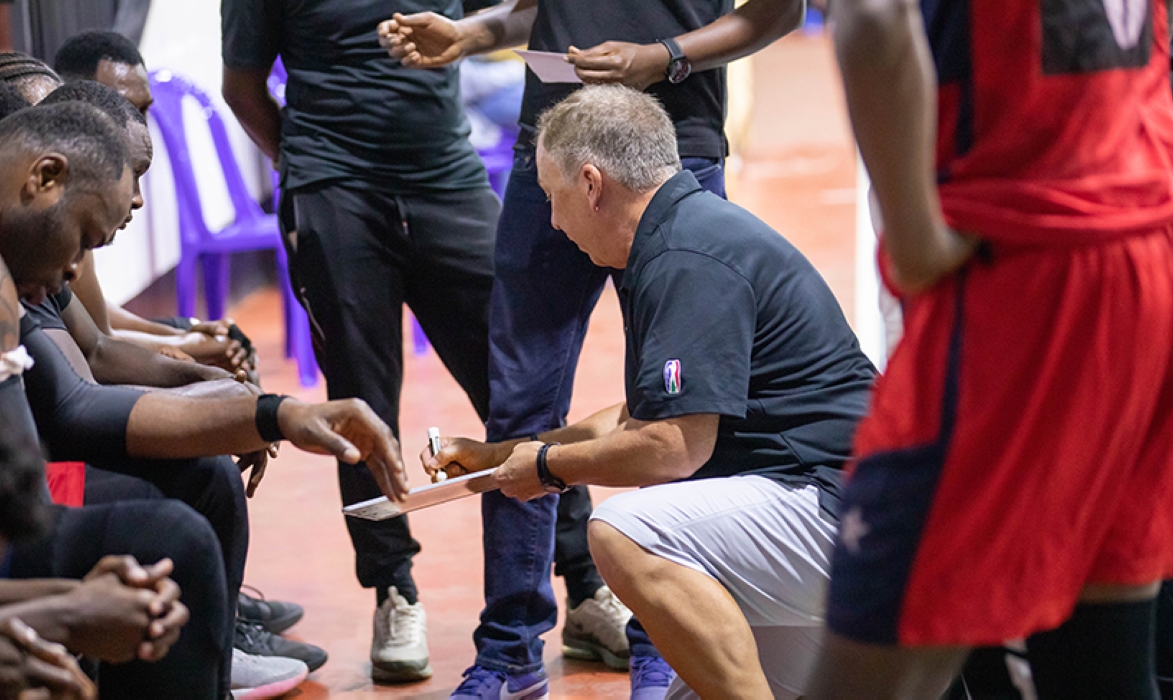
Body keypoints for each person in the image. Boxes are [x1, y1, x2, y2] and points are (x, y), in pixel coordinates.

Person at [379, 2, 807, 694]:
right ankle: (509, 649)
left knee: (670, 405)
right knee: (517, 399)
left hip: (668, 152)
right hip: (549, 149)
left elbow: (778, 14)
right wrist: (469, 36)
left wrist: (663, 56)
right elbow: (535, 13)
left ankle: (660, 645)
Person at [423, 85, 877, 699]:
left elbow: (671, 449)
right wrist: (502, 454)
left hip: (840, 513)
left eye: (553, 197)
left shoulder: (686, 256)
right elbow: (641, 416)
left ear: (590, 184)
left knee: (623, 532)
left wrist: (550, 469)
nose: (553, 220)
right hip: (837, 509)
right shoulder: (682, 233)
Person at [812, 0, 1173, 698]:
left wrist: (912, 235)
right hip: (1154, 240)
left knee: (872, 657)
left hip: (1024, 265)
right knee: (1095, 648)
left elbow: (870, 15)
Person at [0, 101, 410, 696]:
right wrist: (58, 609)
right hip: (37, 494)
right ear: (44, 175)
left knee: (191, 500)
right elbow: (73, 410)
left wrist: (246, 405)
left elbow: (93, 356)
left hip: (27, 503)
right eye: (85, 240)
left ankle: (220, 645)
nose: (75, 268)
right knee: (171, 537)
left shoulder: (22, 263)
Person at [222, 0, 502, 683]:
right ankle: (394, 588)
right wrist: (314, 167)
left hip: (446, 176)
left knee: (518, 377)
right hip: (335, 188)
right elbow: (241, 84)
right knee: (359, 400)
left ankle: (581, 576)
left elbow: (518, 15)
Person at [51, 30, 257, 377]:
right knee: (233, 374)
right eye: (122, 110)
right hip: (84, 373)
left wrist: (183, 331)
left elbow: (94, 309)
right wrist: (188, 348)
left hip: (101, 343)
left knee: (234, 346)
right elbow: (99, 344)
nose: (137, 127)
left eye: (143, 110)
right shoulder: (62, 199)